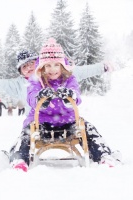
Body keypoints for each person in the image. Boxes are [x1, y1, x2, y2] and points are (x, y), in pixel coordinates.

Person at [9, 38, 121, 172]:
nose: (52, 69)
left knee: (87, 128)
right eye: (48, 66)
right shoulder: (36, 80)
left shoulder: (69, 79)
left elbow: (77, 94)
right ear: (42, 67)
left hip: (68, 122)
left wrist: (71, 96)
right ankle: (19, 159)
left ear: (62, 65)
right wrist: (40, 98)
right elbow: (31, 96)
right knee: (27, 133)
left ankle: (103, 155)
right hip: (41, 124)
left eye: (56, 65)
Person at [0, 51, 112, 116]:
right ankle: (18, 159)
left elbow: (81, 71)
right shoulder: (16, 85)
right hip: (35, 122)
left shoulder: (53, 73)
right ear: (20, 71)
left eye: (31, 63)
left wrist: (102, 67)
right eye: (24, 66)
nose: (29, 68)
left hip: (63, 117)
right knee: (25, 137)